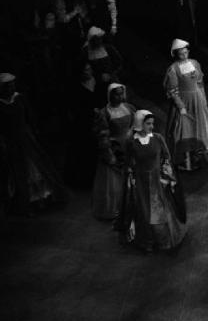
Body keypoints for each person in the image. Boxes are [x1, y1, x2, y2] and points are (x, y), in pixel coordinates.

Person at [115, 110, 186, 253]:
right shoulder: (132, 143)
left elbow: (166, 158)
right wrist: (131, 182)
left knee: (160, 210)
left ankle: (163, 240)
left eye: (152, 123)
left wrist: (167, 177)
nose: (151, 126)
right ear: (140, 124)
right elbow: (129, 164)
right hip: (141, 183)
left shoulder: (158, 138)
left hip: (157, 181)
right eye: (148, 124)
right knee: (144, 212)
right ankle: (147, 241)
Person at [0, 73, 67, 215]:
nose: (11, 88)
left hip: (26, 138)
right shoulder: (1, 104)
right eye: (7, 86)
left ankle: (44, 198)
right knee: (20, 172)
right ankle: (27, 203)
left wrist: (34, 132)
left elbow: (29, 117)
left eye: (12, 85)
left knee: (37, 168)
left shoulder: (19, 98)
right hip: (12, 141)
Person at [164, 38, 208, 171]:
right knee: (185, 129)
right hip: (184, 101)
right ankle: (186, 161)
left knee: (200, 126)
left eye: (186, 52)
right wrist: (181, 106)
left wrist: (203, 98)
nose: (184, 55)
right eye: (181, 53)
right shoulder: (173, 69)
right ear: (176, 54)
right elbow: (172, 90)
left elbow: (200, 81)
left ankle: (199, 156)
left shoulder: (194, 63)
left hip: (197, 99)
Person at [91, 83, 135, 220]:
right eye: (117, 94)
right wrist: (110, 155)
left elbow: (135, 125)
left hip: (129, 146)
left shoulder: (129, 108)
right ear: (110, 95)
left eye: (122, 93)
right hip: (114, 148)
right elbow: (102, 135)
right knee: (115, 182)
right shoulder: (104, 113)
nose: (120, 96)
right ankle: (118, 209)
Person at [63, 61, 99, 189]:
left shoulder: (98, 82)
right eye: (84, 70)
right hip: (84, 122)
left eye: (88, 69)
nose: (87, 72)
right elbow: (75, 107)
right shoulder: (76, 87)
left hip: (98, 119)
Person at [81, 25, 123, 107]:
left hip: (111, 81)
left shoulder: (108, 48)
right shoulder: (86, 52)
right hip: (97, 85)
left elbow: (119, 62)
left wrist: (111, 74)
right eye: (95, 39)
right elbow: (84, 70)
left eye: (99, 39)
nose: (98, 41)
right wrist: (97, 76)